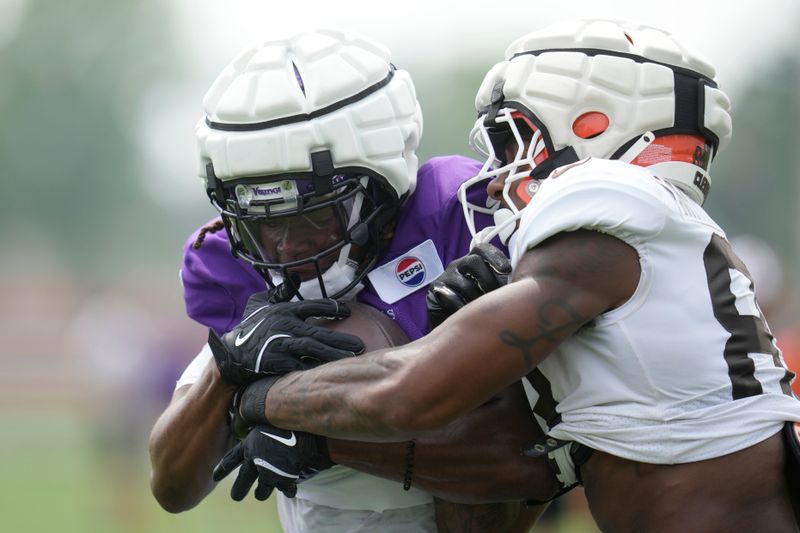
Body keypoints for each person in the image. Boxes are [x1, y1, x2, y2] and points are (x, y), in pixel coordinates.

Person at [219, 20, 800, 532]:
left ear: (595, 126)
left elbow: (410, 393)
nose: (493, 179)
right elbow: (499, 492)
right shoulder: (660, 243)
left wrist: (258, 397)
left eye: (509, 140)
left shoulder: (605, 202)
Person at [148, 29, 551, 532]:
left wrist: (329, 438)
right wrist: (227, 368)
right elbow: (172, 485)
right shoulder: (232, 265)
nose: (286, 248)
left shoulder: (462, 220)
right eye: (265, 224)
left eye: (313, 218)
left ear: (381, 183)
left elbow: (528, 465)